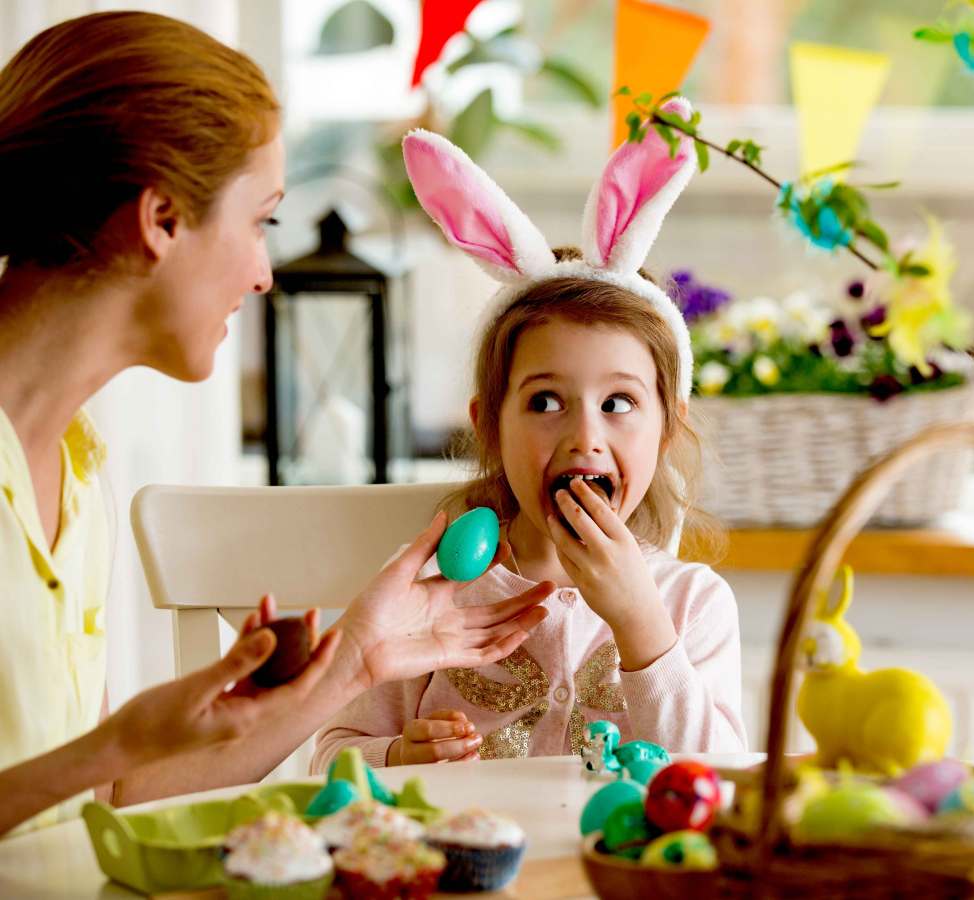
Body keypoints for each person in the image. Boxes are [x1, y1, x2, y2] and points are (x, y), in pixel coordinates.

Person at [0, 11, 551, 838]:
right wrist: (115, 743)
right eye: (262, 221)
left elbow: (105, 803)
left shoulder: (78, 471)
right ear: (162, 221)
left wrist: (356, 662)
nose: (264, 274)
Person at [313, 102, 747, 771]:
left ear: (668, 431)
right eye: (545, 400)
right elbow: (332, 759)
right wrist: (396, 755)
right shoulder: (429, 593)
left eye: (620, 403)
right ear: (487, 422)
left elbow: (721, 783)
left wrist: (641, 625)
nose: (584, 436)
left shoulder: (692, 605)